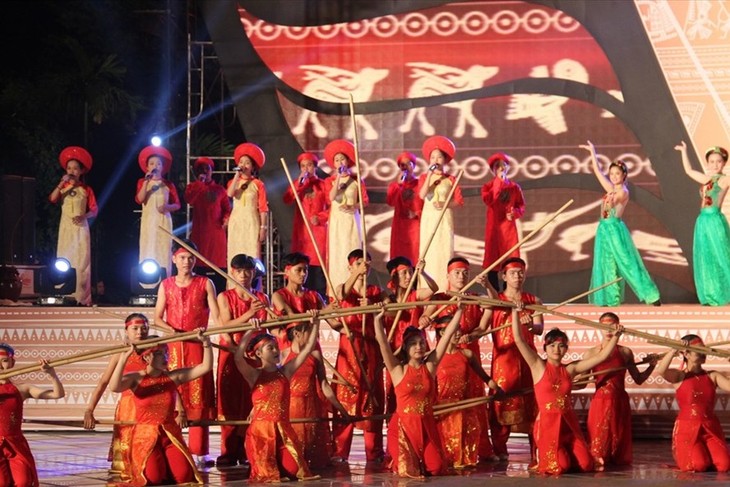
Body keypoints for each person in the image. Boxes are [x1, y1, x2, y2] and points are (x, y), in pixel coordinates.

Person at [511, 308, 624, 475]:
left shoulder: (571, 369)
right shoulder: (537, 366)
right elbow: (519, 340)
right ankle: (544, 454)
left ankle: (567, 452)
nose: (556, 350)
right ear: (545, 347)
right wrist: (515, 313)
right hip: (548, 425)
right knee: (560, 468)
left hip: (568, 424)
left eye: (561, 346)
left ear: (566, 349)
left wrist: (616, 337)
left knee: (586, 465)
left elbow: (600, 357)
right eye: (552, 345)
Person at [420, 256, 498, 462]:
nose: (461, 276)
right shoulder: (439, 298)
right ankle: (444, 448)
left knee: (474, 402)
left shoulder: (474, 298)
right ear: (448, 275)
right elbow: (424, 319)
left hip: (469, 356)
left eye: (465, 273)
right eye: (457, 273)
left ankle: (481, 449)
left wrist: (474, 334)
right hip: (445, 358)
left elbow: (489, 314)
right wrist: (425, 318)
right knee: (444, 401)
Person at [109, 331, 211, 486]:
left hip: (170, 434)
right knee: (153, 479)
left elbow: (205, 367)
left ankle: (166, 463)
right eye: (159, 354)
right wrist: (123, 358)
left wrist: (206, 342)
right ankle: (160, 465)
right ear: (147, 357)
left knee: (184, 477)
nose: (165, 357)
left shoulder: (173, 377)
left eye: (166, 353)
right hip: (145, 436)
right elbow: (114, 386)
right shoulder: (136, 378)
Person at [374, 305, 463, 477]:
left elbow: (447, 337)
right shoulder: (397, 370)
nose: (419, 347)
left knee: (436, 468)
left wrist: (460, 308)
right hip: (402, 428)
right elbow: (383, 342)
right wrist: (378, 319)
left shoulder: (430, 367)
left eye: (422, 343)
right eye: (414, 344)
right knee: (408, 471)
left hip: (426, 425)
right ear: (406, 348)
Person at [154, 239, 219, 467]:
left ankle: (200, 451)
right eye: (182, 257)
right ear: (174, 259)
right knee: (172, 393)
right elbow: (156, 318)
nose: (186, 261)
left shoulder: (205, 283)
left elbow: (218, 317)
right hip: (172, 346)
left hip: (196, 345)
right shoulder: (166, 284)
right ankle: (172, 447)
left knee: (198, 395)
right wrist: (169, 329)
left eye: (191, 257)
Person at [234, 319, 321, 482]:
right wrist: (249, 330)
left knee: (294, 471)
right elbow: (238, 357)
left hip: (283, 431)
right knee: (268, 476)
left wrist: (315, 322)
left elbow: (308, 348)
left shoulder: (285, 372)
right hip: (261, 434)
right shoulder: (254, 375)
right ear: (259, 354)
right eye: (270, 348)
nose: (276, 350)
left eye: (276, 347)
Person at [581, 141, 660, 306]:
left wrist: (610, 195)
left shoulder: (623, 191)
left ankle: (651, 295)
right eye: (612, 173)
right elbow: (598, 172)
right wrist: (592, 153)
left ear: (624, 175)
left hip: (615, 229)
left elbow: (612, 201)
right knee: (606, 262)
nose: (614, 176)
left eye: (617, 173)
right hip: (604, 228)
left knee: (627, 262)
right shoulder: (611, 189)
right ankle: (610, 298)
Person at [484, 257, 543, 463]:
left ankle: (536, 449)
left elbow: (539, 329)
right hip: (504, 360)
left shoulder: (533, 300)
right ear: (504, 276)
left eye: (520, 272)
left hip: (528, 359)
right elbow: (483, 327)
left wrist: (529, 326)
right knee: (502, 401)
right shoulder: (495, 301)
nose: (517, 276)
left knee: (531, 402)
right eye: (512, 273)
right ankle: (499, 449)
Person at [331, 249, 387, 463]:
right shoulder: (343, 288)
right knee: (346, 396)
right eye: (358, 263)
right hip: (349, 349)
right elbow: (340, 296)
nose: (364, 267)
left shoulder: (376, 291)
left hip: (371, 348)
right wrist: (356, 275)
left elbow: (391, 309)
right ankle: (339, 451)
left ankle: (374, 452)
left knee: (371, 397)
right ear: (350, 267)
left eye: (367, 263)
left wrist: (374, 307)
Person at [214, 253, 270, 467]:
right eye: (239, 271)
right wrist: (250, 314)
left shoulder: (261, 298)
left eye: (248, 271)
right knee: (229, 402)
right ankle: (228, 452)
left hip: (254, 355)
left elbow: (266, 325)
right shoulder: (224, 297)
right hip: (231, 352)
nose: (244, 275)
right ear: (232, 272)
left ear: (253, 272)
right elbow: (226, 325)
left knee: (251, 401)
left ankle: (248, 449)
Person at [581, 312, 656, 469]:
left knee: (618, 445)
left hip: (620, 401)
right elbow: (582, 382)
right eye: (604, 327)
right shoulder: (591, 353)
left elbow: (639, 379)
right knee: (598, 444)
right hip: (600, 402)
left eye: (612, 326)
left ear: (619, 328)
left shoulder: (625, 352)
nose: (608, 330)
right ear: (598, 328)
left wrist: (652, 366)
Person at [83, 313, 150, 479]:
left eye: (144, 328)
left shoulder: (155, 352)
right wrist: (89, 409)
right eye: (135, 329)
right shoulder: (119, 353)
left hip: (151, 406)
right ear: (126, 330)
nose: (140, 332)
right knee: (126, 459)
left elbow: (169, 381)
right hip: (129, 407)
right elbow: (103, 382)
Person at [434, 317, 503, 469]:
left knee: (466, 460)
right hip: (443, 410)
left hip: (465, 407)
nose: (458, 334)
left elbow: (486, 378)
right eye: (454, 330)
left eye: (459, 329)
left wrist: (497, 389)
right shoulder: (434, 357)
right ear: (442, 332)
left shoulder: (467, 355)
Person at [655, 334, 730, 472]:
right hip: (687, 429)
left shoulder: (712, 375)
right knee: (699, 466)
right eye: (698, 351)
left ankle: (707, 452)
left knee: (725, 466)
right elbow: (661, 371)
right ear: (686, 354)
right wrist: (673, 350)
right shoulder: (679, 376)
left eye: (704, 351)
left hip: (710, 427)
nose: (703, 354)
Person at [285, 318, 350, 470]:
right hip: (290, 409)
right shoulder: (282, 355)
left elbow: (324, 386)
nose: (315, 337)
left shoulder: (314, 354)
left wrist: (341, 410)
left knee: (313, 457)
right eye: (310, 331)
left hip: (311, 407)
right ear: (297, 333)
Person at [0, 343, 65, 487]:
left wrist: (51, 374)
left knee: (23, 482)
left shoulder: (22, 388)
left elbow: (58, 394)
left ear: (12, 363)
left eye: (4, 361)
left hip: (15, 444)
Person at [675, 142, 730, 306]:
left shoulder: (725, 179)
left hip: (714, 220)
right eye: (712, 161)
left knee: (722, 256)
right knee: (707, 257)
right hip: (702, 221)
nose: (715, 164)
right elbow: (689, 171)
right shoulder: (707, 179)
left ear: (724, 163)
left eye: (718, 161)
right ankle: (712, 294)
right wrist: (684, 152)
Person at [48, 146, 98, 305]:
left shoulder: (86, 189)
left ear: (81, 171)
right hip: (66, 228)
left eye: (76, 168)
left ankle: (81, 298)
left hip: (80, 229)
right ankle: (64, 294)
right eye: (69, 168)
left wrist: (84, 216)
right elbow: (52, 199)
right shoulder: (63, 188)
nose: (72, 171)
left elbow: (94, 210)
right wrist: (61, 183)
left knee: (81, 260)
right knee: (64, 259)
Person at [418, 135, 464, 290]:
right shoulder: (424, 177)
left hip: (444, 217)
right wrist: (430, 175)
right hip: (429, 217)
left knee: (443, 249)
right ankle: (426, 287)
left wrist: (445, 203)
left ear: (445, 160)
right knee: (428, 250)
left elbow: (459, 201)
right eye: (432, 157)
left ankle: (445, 288)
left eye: (439, 157)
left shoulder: (451, 179)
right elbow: (422, 195)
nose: (435, 160)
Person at [323, 139, 369, 291]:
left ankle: (355, 287)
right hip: (337, 220)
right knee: (338, 251)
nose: (340, 162)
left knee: (352, 248)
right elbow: (330, 197)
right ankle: (337, 288)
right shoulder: (329, 181)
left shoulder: (356, 180)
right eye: (337, 160)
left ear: (348, 161)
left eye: (342, 159)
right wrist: (338, 178)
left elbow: (365, 201)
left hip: (351, 219)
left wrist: (353, 206)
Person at [283, 152, 329, 296]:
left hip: (319, 231)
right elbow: (287, 199)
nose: (306, 169)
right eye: (303, 166)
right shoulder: (298, 184)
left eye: (309, 165)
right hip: (302, 231)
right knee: (302, 263)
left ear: (315, 167)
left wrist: (321, 217)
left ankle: (320, 298)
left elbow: (333, 207)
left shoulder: (323, 185)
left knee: (318, 265)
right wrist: (299, 183)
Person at [481, 152, 525, 291]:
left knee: (510, 261)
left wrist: (515, 213)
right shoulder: (487, 187)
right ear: (493, 170)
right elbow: (490, 201)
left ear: (507, 168)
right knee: (492, 262)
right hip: (494, 228)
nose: (500, 168)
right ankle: (494, 294)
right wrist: (499, 183)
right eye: (497, 166)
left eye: (503, 165)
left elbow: (521, 206)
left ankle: (509, 292)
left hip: (508, 230)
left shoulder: (514, 187)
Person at [135, 145, 180, 278]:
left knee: (163, 249)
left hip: (163, 221)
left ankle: (164, 283)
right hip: (149, 221)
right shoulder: (142, 182)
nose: (155, 165)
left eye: (158, 163)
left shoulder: (168, 184)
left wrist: (167, 207)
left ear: (163, 167)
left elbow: (177, 204)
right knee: (147, 248)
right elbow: (139, 199)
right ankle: (146, 283)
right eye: (152, 163)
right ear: (147, 167)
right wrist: (145, 182)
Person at [184, 157, 231, 279]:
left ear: (212, 171)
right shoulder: (192, 187)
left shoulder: (220, 190)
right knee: (199, 259)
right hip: (199, 231)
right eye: (201, 169)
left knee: (217, 261)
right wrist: (200, 184)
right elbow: (189, 200)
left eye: (207, 168)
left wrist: (225, 219)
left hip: (216, 231)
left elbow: (227, 209)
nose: (204, 171)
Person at [384, 256, 438, 350]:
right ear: (394, 276)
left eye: (410, 272)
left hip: (417, 347)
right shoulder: (388, 300)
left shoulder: (415, 295)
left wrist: (423, 273)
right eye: (404, 273)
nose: (409, 276)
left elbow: (433, 289)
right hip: (395, 348)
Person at [227, 142, 268, 263]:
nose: (243, 165)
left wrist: (263, 227)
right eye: (241, 162)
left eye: (247, 162)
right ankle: (233, 282)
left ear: (252, 167)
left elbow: (263, 208)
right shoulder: (232, 182)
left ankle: (253, 280)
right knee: (235, 252)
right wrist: (236, 176)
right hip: (236, 221)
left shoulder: (258, 184)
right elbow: (230, 194)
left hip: (251, 221)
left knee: (252, 253)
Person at [386, 151, 423, 263]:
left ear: (414, 166)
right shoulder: (394, 185)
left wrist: (416, 213)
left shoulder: (420, 183)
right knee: (399, 254)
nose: (405, 167)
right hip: (399, 225)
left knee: (415, 252)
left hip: (415, 224)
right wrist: (399, 185)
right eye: (402, 165)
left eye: (408, 164)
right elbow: (391, 202)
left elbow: (425, 204)